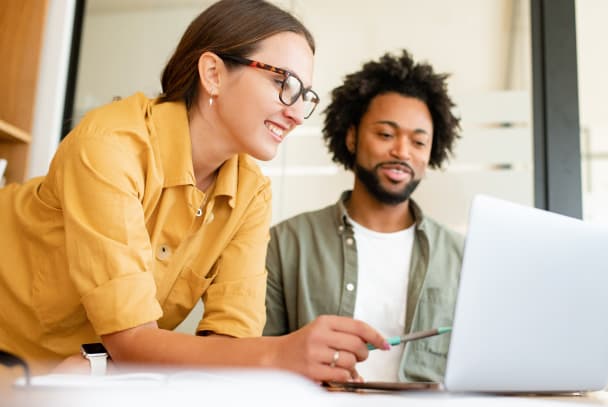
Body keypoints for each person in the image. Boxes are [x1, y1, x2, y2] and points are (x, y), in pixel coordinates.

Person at [0, 0, 388, 383]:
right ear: (213, 74)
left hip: (70, 379)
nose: (297, 113)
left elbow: (231, 344)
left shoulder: (251, 193)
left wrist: (106, 364)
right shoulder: (110, 145)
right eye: (282, 83)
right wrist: (279, 353)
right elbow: (133, 342)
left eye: (305, 95)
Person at [264, 51, 463, 382]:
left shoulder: (461, 257)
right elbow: (255, 358)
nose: (402, 151)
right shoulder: (286, 244)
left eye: (418, 141)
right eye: (386, 135)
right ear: (352, 136)